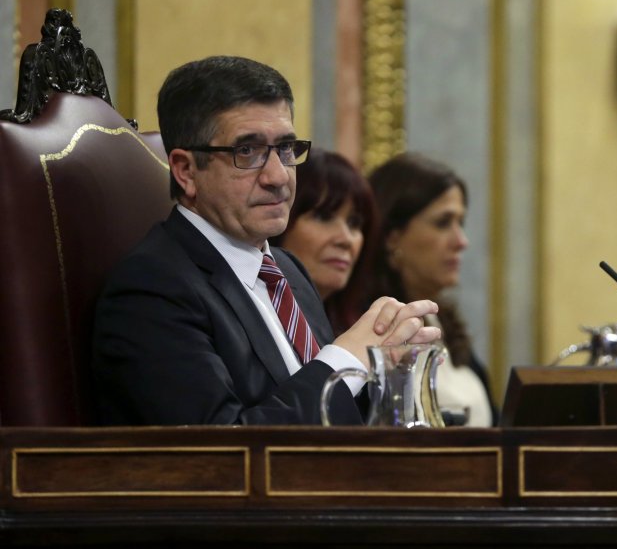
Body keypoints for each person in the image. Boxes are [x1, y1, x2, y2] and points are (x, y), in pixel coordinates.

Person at [91, 56, 439, 426]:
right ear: (186, 170)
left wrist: (388, 374)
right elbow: (219, 451)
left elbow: (337, 421)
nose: (278, 176)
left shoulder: (288, 270)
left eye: (286, 148)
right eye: (247, 151)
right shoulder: (152, 288)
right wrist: (345, 361)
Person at [368, 153, 497, 427]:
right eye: (443, 223)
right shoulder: (367, 328)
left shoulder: (446, 326)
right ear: (392, 237)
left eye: (460, 223)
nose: (462, 241)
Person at [270, 149, 376, 335]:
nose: (345, 240)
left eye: (354, 223)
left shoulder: (363, 330)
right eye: (323, 217)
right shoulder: (258, 324)